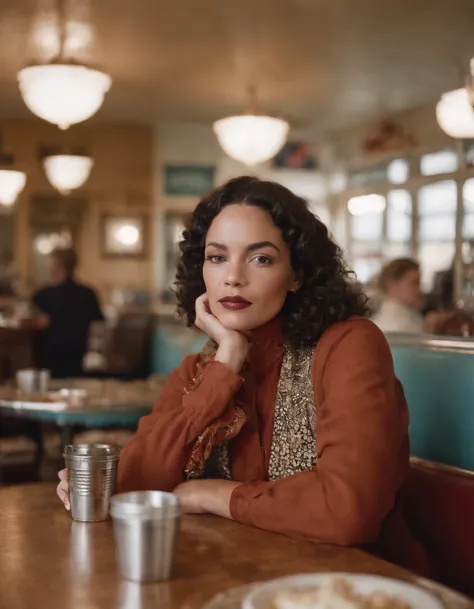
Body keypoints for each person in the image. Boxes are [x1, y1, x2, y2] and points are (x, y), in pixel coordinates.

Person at [57, 177, 426, 572]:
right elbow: (131, 487)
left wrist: (213, 495)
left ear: (296, 273)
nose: (233, 277)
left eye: (260, 258)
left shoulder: (349, 345)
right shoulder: (201, 369)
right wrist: (227, 364)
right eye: (217, 257)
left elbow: (347, 510)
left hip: (356, 583)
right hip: (236, 574)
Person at [33, 248, 104, 378]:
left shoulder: (43, 295)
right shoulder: (88, 294)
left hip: (48, 361)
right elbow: (99, 324)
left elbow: (36, 323)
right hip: (79, 356)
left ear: (57, 265)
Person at [372, 258, 424, 334]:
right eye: (414, 283)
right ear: (392, 285)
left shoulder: (410, 315)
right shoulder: (395, 324)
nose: (420, 290)